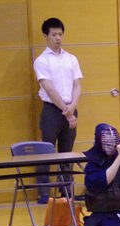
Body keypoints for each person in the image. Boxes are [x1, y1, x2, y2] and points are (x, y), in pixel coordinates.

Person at [33, 17, 83, 204]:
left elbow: (77, 85)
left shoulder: (71, 59)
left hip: (70, 108)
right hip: (52, 111)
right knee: (46, 152)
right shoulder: (41, 60)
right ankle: (43, 193)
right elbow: (50, 89)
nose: (58, 38)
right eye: (54, 34)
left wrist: (72, 107)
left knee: (66, 152)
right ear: (46, 36)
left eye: (60, 34)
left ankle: (66, 192)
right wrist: (66, 111)